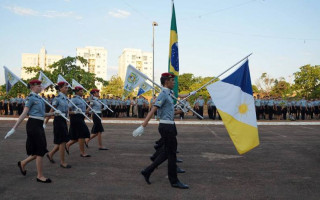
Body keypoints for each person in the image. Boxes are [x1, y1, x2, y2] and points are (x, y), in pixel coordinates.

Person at [139, 72, 193, 189]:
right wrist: (144, 125)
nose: (174, 82)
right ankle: (174, 181)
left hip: (170, 125)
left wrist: (182, 110)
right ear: (166, 81)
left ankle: (147, 171)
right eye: (172, 81)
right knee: (172, 154)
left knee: (167, 153)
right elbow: (153, 109)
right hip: (166, 127)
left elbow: (169, 112)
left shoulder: (169, 93)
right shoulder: (163, 94)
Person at [7, 79, 57, 183]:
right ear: (32, 87)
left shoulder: (39, 98)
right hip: (33, 125)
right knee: (40, 150)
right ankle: (40, 176)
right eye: (38, 86)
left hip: (38, 124)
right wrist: (14, 128)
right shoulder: (30, 98)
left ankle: (23, 163)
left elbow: (42, 114)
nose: (40, 87)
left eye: (40, 85)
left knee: (41, 149)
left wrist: (53, 114)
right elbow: (24, 113)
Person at [44, 81, 71, 169]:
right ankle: (62, 162)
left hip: (63, 120)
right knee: (62, 141)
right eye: (65, 87)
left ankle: (50, 154)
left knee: (61, 141)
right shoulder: (57, 98)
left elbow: (66, 111)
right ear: (60, 88)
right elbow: (52, 110)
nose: (67, 89)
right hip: (58, 120)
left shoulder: (65, 98)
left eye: (67, 87)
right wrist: (45, 122)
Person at [66, 86, 91, 157]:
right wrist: (75, 112)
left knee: (77, 136)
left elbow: (84, 111)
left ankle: (68, 144)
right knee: (83, 134)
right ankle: (82, 153)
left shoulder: (81, 99)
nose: (82, 92)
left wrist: (90, 110)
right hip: (76, 118)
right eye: (81, 91)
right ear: (76, 92)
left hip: (81, 117)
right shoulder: (74, 99)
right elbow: (68, 110)